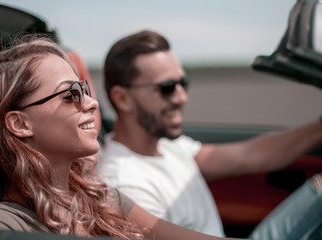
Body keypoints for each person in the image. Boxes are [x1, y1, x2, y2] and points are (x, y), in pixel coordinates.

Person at [0, 36, 241, 240]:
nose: (91, 103)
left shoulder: (102, 197)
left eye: (84, 89)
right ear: (20, 123)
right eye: (71, 95)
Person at [97, 29, 322, 239]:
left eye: (183, 83)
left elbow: (250, 154)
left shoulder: (167, 146)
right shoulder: (127, 184)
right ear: (122, 98)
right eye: (166, 87)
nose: (181, 97)